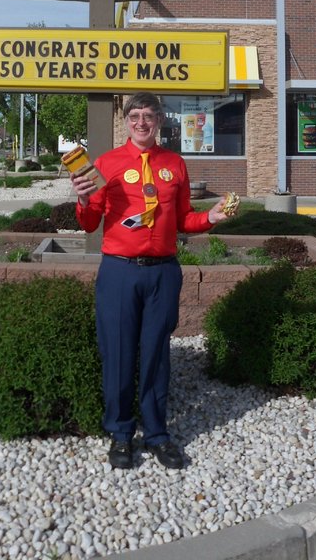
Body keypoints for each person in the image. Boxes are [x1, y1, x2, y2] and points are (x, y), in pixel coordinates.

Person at [70, 92, 233, 470]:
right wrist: (83, 201)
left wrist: (211, 219)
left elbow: (183, 219)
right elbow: (90, 223)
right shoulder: (106, 163)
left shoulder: (174, 163)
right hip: (119, 272)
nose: (141, 122)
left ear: (159, 120)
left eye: (148, 116)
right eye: (135, 116)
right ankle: (121, 432)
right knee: (118, 353)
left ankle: (157, 433)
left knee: (157, 354)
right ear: (126, 121)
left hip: (162, 272)